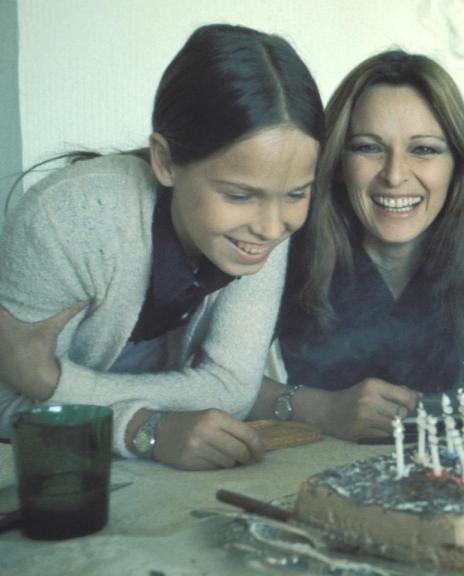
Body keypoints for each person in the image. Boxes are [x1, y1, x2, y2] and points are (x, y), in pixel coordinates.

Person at [0, 24, 324, 470]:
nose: (272, 228)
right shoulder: (67, 218)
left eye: (295, 194)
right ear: (166, 161)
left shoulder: (262, 226)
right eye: (238, 195)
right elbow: (6, 405)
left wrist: (49, 379)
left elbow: (233, 389)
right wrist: (144, 429)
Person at [252, 50, 464, 440]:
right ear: (339, 160)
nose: (394, 176)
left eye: (424, 149)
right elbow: (222, 381)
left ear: (457, 162)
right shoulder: (291, 237)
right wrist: (322, 409)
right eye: (368, 147)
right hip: (316, 469)